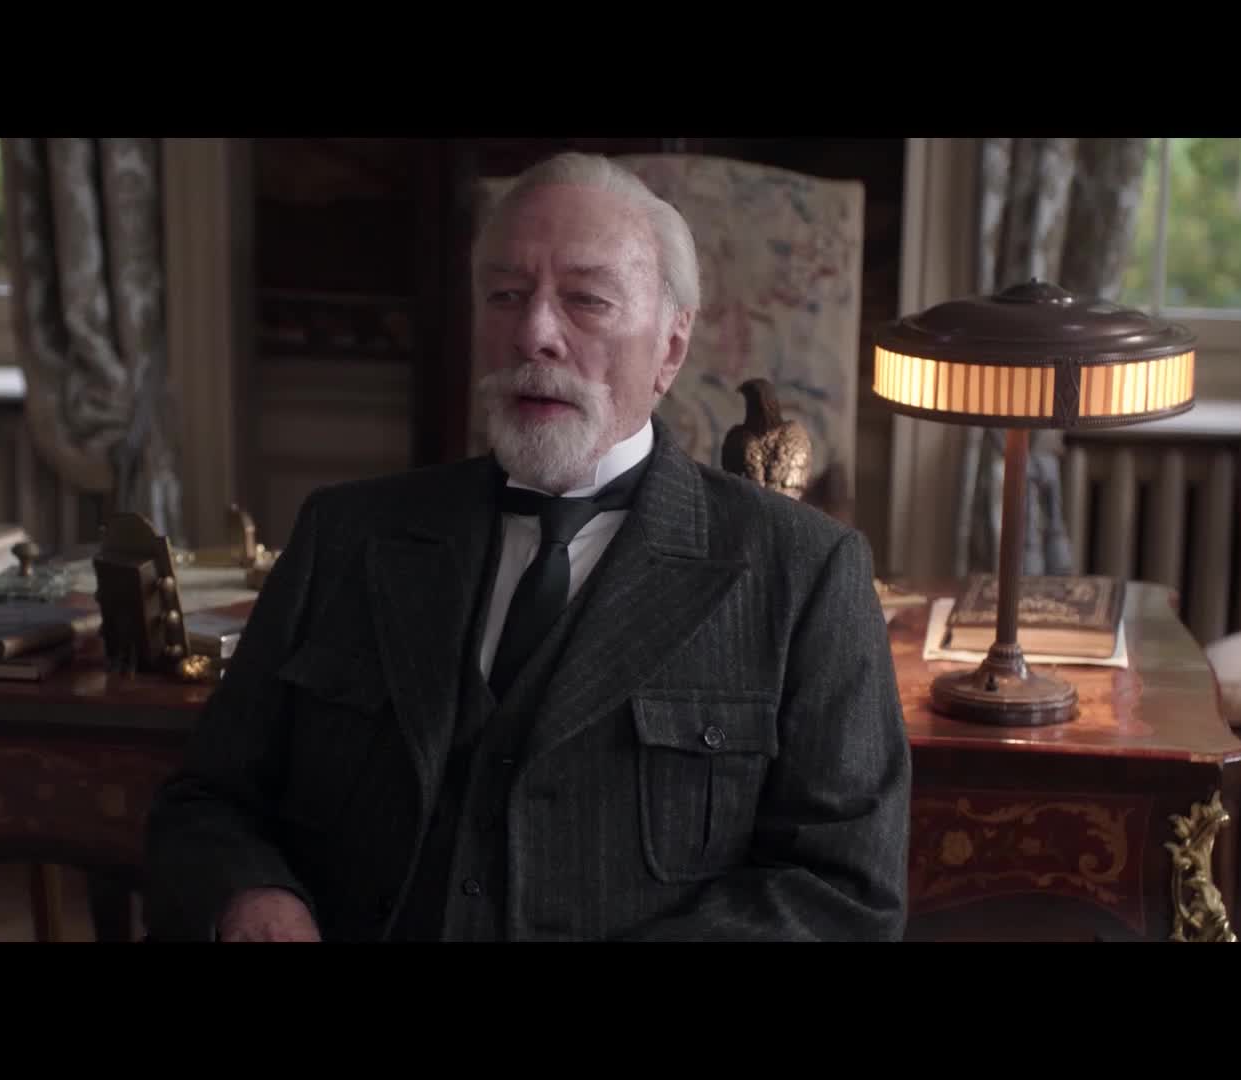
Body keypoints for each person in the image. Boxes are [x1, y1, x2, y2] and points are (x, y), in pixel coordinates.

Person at [142, 152, 910, 942]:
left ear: (671, 350)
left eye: (586, 301)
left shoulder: (804, 572)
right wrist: (251, 896)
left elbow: (841, 893)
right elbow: (207, 801)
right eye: (505, 296)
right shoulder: (346, 535)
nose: (534, 333)